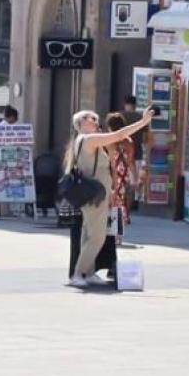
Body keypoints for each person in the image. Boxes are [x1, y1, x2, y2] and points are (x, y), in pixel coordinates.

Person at [66, 107, 155, 287]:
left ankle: (87, 272)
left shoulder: (83, 140)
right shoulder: (88, 139)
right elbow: (119, 134)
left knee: (89, 233)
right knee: (97, 236)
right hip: (95, 195)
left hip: (95, 194)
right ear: (81, 122)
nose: (95, 121)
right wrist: (143, 122)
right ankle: (79, 273)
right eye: (91, 118)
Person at [104, 112, 135, 244]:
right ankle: (118, 236)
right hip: (123, 176)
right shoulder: (128, 141)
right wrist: (135, 177)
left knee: (110, 204)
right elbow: (131, 161)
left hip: (109, 174)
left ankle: (110, 233)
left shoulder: (107, 140)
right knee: (120, 204)